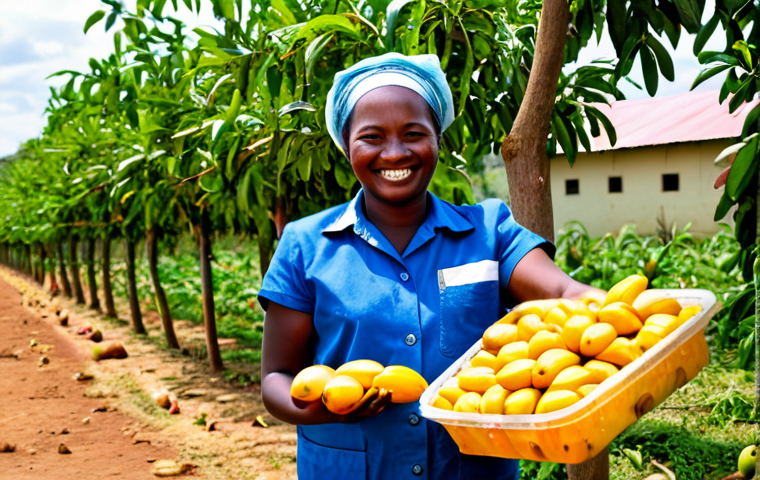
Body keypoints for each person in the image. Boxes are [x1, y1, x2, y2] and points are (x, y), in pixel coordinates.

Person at [259, 52, 604, 480]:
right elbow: (276, 376)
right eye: (371, 137)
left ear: (438, 138)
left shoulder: (488, 231)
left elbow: (561, 293)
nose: (395, 152)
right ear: (346, 144)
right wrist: (328, 410)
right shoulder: (305, 244)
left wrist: (625, 313)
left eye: (413, 133)